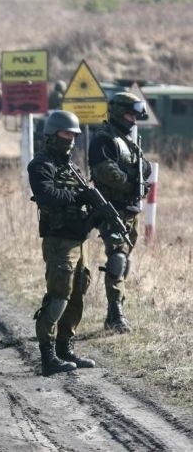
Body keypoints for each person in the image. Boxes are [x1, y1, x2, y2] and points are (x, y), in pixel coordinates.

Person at [28, 110, 96, 376]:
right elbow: (47, 195)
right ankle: (48, 356)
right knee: (59, 296)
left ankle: (65, 348)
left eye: (74, 135)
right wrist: (79, 197)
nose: (71, 139)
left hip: (79, 239)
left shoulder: (72, 167)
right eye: (66, 134)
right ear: (52, 134)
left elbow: (82, 196)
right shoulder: (40, 165)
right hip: (58, 241)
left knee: (78, 293)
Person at [88, 92, 151, 334]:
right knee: (117, 258)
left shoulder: (129, 141)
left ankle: (114, 312)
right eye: (129, 114)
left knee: (125, 261)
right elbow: (107, 173)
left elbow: (144, 169)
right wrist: (133, 179)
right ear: (116, 112)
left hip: (131, 209)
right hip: (112, 208)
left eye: (135, 115)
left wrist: (137, 178)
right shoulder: (104, 140)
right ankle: (115, 315)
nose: (133, 119)